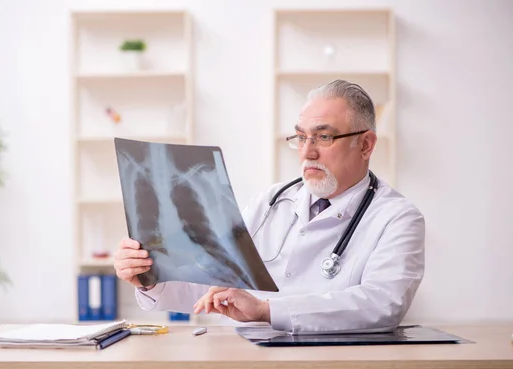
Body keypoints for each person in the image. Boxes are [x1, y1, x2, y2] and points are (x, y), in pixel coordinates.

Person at [113, 79, 425, 334]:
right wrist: (150, 277)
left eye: (324, 137)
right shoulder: (270, 202)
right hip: (245, 363)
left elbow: (382, 304)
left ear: (366, 144)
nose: (307, 152)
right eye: (301, 137)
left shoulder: (396, 218)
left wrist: (267, 310)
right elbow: (212, 282)